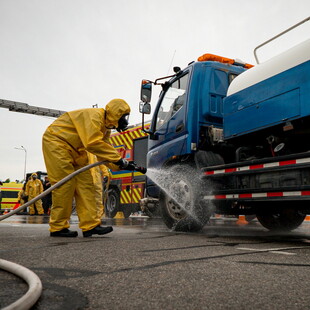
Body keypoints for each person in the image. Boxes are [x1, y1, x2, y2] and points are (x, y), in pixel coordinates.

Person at [42, 98, 136, 238]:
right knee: (65, 185)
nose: (125, 120)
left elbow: (103, 150)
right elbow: (92, 143)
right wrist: (118, 160)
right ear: (116, 114)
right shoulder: (95, 117)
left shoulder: (105, 128)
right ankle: (58, 227)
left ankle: (90, 226)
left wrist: (119, 164)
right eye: (123, 116)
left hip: (77, 150)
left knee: (87, 185)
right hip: (57, 142)